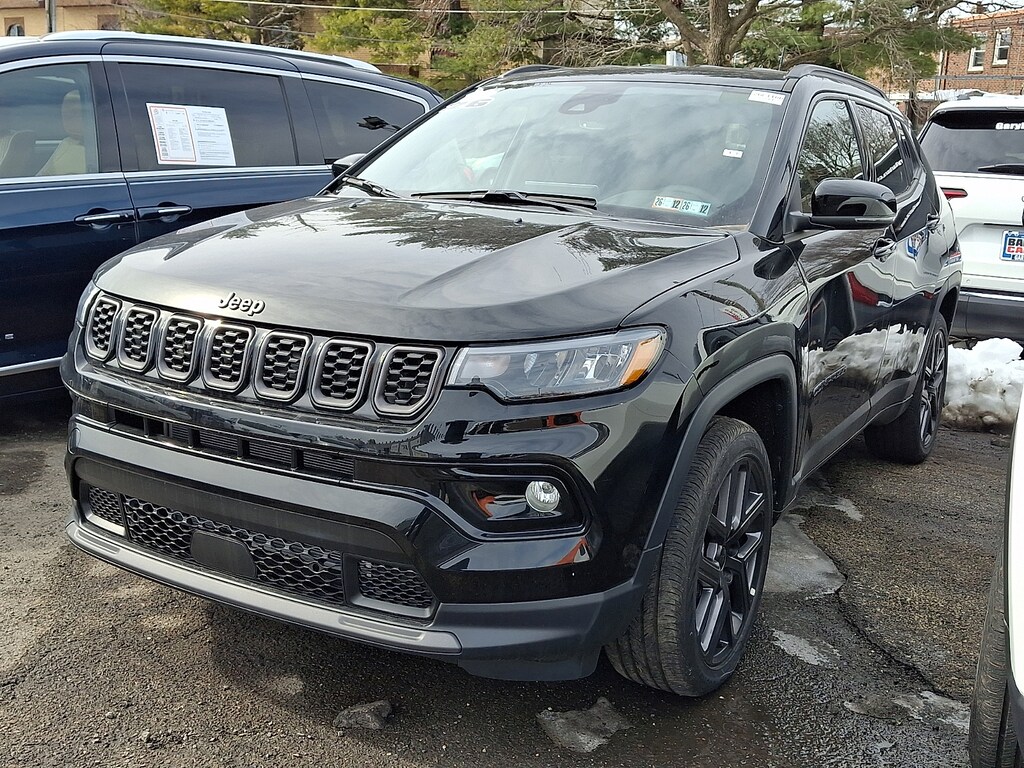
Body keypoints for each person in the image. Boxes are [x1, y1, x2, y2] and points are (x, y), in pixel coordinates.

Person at [37, 89, 87, 176]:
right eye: (64, 112)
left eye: (73, 113)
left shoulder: (97, 152)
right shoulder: (67, 143)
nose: (65, 117)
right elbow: (41, 177)